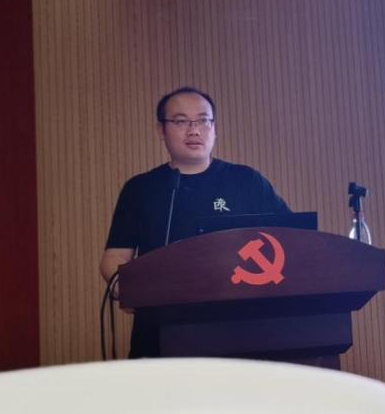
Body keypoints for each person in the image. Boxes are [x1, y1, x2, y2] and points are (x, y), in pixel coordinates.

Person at [99, 86, 290, 357]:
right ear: (161, 130)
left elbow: (292, 238)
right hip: (160, 331)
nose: (194, 130)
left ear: (214, 128)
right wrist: (128, 291)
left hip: (241, 330)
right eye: (181, 122)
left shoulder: (246, 181)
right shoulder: (141, 189)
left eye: (203, 120)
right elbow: (115, 256)